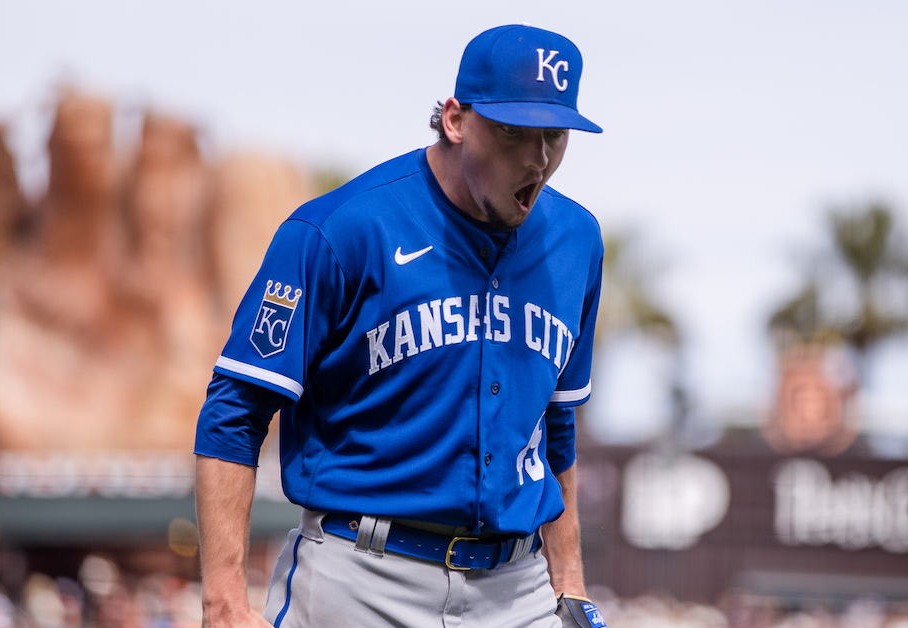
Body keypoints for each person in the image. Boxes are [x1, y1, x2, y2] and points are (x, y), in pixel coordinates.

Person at [195, 24, 608, 628]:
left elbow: (556, 423)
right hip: (362, 577)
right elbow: (235, 410)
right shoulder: (341, 230)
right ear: (455, 120)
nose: (538, 158)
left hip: (517, 590)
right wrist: (224, 600)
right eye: (514, 132)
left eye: (554, 135)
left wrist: (569, 581)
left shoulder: (577, 242)